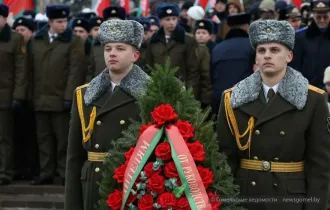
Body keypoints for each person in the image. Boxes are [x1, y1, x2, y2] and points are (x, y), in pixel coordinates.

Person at [217, 19, 330, 210]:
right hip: (246, 196)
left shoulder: (313, 99)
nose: (267, 55)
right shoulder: (233, 98)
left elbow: (320, 165)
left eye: (275, 50)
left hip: (290, 198)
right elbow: (225, 159)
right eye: (262, 51)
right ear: (256, 58)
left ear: (289, 56)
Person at [64, 19, 150, 210]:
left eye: (120, 48)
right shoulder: (85, 94)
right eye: (108, 48)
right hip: (93, 184)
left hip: (132, 183)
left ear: (135, 55)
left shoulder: (151, 93)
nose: (112, 53)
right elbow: (74, 156)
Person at [28, 4, 85, 185]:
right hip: (40, 98)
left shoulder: (74, 41)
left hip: (61, 98)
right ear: (50, 22)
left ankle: (63, 173)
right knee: (43, 138)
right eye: (59, 21)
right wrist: (29, 96)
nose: (64, 24)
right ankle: (46, 172)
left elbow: (75, 71)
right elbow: (30, 70)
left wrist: (69, 97)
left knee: (63, 140)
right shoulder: (37, 40)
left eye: (65, 20)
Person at [145, 3, 199, 98]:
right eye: (167, 19)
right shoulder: (153, 41)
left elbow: (193, 69)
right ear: (161, 21)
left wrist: (189, 92)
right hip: (158, 91)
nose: (171, 22)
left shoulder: (187, 40)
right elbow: (149, 67)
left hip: (181, 91)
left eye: (174, 19)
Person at [0, 3, 28, 185]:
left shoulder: (15, 39)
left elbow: (21, 70)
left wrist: (18, 96)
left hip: (5, 96)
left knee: (4, 137)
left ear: (4, 18)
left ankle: (5, 172)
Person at [211, 13, 253, 115]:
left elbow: (211, 76)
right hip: (247, 102)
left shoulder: (217, 48)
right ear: (247, 27)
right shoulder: (253, 46)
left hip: (220, 101)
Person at [290, 0, 330, 89]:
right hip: (308, 90)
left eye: (325, 17)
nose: (322, 20)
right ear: (313, 15)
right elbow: (295, 68)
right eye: (318, 17)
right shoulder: (300, 37)